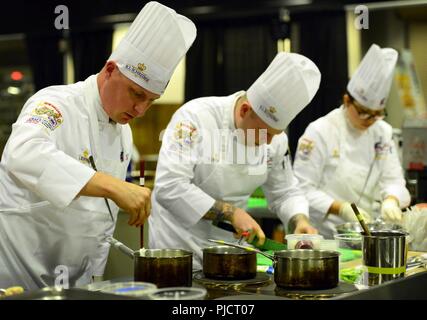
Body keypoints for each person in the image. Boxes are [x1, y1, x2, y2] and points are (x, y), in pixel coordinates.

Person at [0, 1, 196, 290]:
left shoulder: (123, 133)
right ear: (109, 70)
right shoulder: (56, 102)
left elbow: (95, 219)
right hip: (21, 278)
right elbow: (22, 154)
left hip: (78, 283)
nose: (141, 109)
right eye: (136, 93)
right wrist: (114, 186)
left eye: (150, 101)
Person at [149, 52, 321, 269]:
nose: (268, 142)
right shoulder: (194, 118)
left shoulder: (274, 140)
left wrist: (299, 220)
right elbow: (169, 187)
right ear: (245, 110)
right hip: (178, 249)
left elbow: (285, 192)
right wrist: (231, 213)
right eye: (263, 132)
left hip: (231, 252)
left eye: (274, 134)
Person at [293, 44, 411, 239]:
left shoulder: (382, 132)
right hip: (325, 235)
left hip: (367, 233)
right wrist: (341, 208)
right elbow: (301, 188)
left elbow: (394, 180)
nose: (370, 120)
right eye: (364, 112)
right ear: (347, 101)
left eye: (377, 114)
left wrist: (392, 199)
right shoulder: (320, 131)